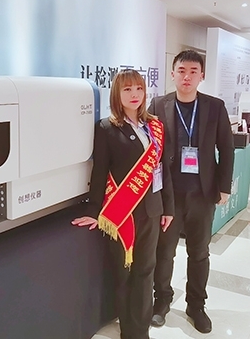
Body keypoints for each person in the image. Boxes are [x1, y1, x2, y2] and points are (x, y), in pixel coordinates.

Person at [72, 69, 174, 339]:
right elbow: (100, 171)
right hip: (122, 214)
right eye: (127, 89)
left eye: (139, 88)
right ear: (117, 93)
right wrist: (93, 211)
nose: (134, 94)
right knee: (125, 273)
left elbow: (162, 170)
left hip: (152, 210)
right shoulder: (107, 127)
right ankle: (129, 330)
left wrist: (168, 208)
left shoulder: (155, 126)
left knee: (146, 271)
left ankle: (141, 330)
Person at [148, 50, 235, 334]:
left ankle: (196, 306)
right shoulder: (158, 104)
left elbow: (226, 147)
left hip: (202, 193)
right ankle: (161, 301)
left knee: (199, 253)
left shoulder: (215, 106)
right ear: (172, 73)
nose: (187, 77)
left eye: (193, 71)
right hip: (169, 195)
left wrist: (223, 187)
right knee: (164, 252)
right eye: (182, 71)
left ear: (202, 76)